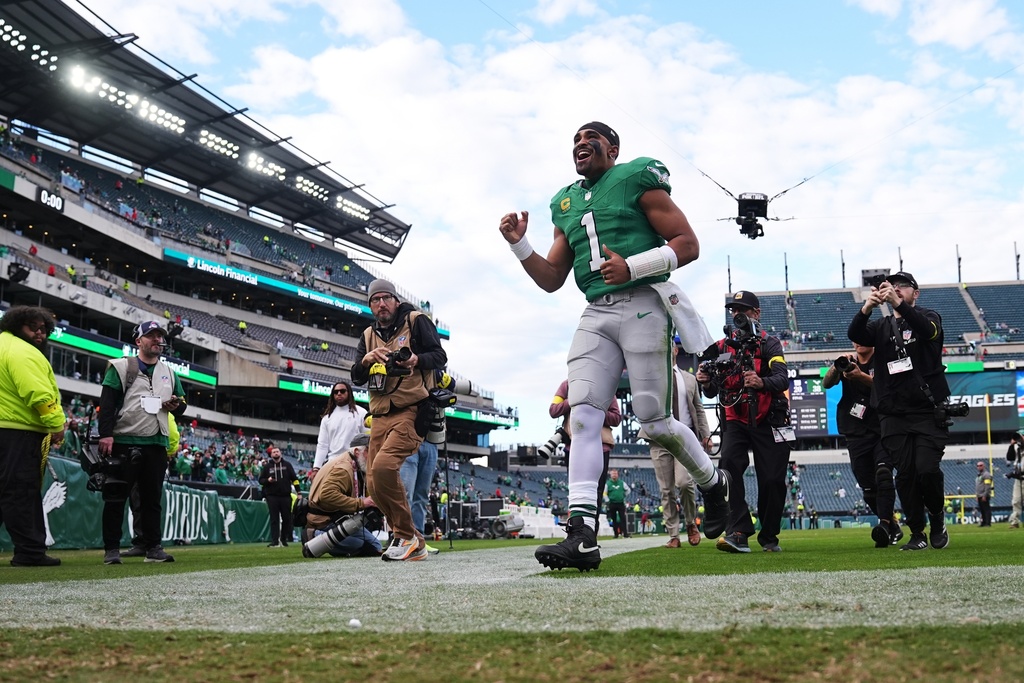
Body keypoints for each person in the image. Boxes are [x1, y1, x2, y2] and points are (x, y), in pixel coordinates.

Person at [499, 121, 730, 572]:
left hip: (645, 300)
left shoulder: (634, 178)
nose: (580, 144)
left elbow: (688, 244)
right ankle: (582, 533)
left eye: (591, 139)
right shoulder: (564, 202)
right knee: (581, 414)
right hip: (596, 310)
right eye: (574, 141)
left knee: (656, 423)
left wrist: (635, 266)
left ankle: (712, 481)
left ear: (614, 148)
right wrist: (519, 245)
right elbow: (550, 279)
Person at [848, 271, 951, 551]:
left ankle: (937, 518)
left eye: (902, 287)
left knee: (927, 470)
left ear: (915, 293)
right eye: (892, 287)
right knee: (904, 475)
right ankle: (917, 532)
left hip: (927, 410)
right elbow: (855, 334)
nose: (895, 290)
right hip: (893, 413)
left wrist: (898, 304)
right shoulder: (881, 326)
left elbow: (928, 331)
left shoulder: (929, 316)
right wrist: (867, 307)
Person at [351, 279, 447, 562]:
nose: (381, 303)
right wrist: (367, 360)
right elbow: (355, 376)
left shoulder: (416, 320)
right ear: (370, 305)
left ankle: (404, 535)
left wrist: (415, 359)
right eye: (375, 299)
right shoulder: (368, 335)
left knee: (383, 468)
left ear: (395, 300)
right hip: (379, 413)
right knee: (374, 484)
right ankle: (414, 541)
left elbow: (440, 356)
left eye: (386, 298)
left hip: (411, 408)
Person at [696, 291, 791, 553]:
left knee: (772, 480)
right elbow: (713, 390)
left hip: (770, 417)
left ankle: (769, 535)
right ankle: (738, 531)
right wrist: (706, 382)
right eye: (733, 310)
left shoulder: (770, 344)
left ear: (756, 314)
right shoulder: (721, 347)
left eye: (744, 310)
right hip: (734, 417)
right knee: (729, 471)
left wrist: (762, 382)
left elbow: (783, 379)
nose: (737, 314)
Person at [97, 320, 185, 564]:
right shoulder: (121, 366)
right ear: (138, 341)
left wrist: (176, 405)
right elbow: (107, 404)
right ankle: (112, 549)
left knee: (151, 499)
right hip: (125, 439)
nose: (157, 340)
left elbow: (183, 406)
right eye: (151, 336)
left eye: (160, 336)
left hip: (156, 442)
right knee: (116, 497)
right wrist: (106, 434)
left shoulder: (169, 372)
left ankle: (153, 547)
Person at [0, 306, 66, 567]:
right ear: (17, 325)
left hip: (7, 428)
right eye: (33, 328)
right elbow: (38, 393)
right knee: (21, 491)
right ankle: (29, 552)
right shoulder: (23, 352)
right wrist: (56, 424)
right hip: (19, 431)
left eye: (44, 329)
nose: (40, 334)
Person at [822, 343, 901, 548]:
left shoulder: (884, 359)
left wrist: (861, 377)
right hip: (856, 430)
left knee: (884, 474)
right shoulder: (849, 361)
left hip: (881, 427)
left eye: (863, 339)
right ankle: (892, 525)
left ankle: (883, 525)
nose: (859, 343)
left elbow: (890, 389)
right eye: (856, 339)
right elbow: (827, 383)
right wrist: (838, 366)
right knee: (867, 487)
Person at [644, 344, 712, 547]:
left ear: (676, 351)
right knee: (666, 490)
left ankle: (691, 523)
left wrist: (706, 435)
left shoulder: (689, 379)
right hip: (659, 439)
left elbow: (698, 409)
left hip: (684, 439)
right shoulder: (651, 377)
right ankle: (674, 534)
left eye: (670, 346)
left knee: (684, 483)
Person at [547, 378, 621, 516]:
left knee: (597, 491)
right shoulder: (567, 385)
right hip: (574, 445)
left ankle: (592, 530)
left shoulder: (606, 385)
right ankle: (577, 529)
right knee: (576, 491)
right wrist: (575, 400)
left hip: (600, 446)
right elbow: (553, 410)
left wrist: (594, 410)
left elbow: (616, 418)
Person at [303, 434, 381, 557]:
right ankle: (313, 535)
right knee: (363, 546)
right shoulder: (343, 469)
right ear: (357, 452)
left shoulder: (354, 465)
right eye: (370, 451)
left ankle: (327, 539)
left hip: (339, 518)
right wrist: (362, 503)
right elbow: (327, 494)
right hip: (324, 521)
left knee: (376, 547)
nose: (374, 455)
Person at [310, 380, 367, 482]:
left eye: (342, 391)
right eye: (336, 392)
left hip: (355, 463)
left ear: (349, 392)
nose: (339, 394)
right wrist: (316, 468)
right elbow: (322, 445)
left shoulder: (361, 413)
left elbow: (367, 439)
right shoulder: (327, 418)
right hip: (333, 463)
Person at [400, 440, 440, 554]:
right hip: (410, 438)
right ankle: (403, 537)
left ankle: (419, 540)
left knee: (421, 496)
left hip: (431, 441)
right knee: (406, 494)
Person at [259, 446, 299, 547]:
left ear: (280, 453)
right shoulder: (267, 466)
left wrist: (299, 492)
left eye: (277, 452)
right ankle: (274, 541)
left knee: (287, 519)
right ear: (271, 455)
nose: (276, 453)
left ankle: (283, 539)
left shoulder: (287, 465)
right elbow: (260, 480)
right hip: (272, 496)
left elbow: (294, 479)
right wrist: (268, 480)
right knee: (274, 519)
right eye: (274, 452)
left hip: (285, 496)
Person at [604, 469, 631, 538]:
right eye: (613, 474)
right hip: (612, 503)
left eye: (615, 474)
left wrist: (623, 495)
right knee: (614, 519)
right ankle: (616, 534)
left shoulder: (622, 482)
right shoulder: (608, 483)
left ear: (617, 475)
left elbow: (628, 490)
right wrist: (607, 500)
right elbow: (604, 493)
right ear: (610, 475)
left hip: (620, 503)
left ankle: (625, 533)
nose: (614, 475)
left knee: (623, 519)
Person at [1007, 433, 1023, 528]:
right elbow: (1010, 457)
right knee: (1016, 500)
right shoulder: (1018, 449)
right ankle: (1015, 521)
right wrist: (1011, 445)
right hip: (1019, 478)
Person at [975, 461, 993, 527]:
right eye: (978, 466)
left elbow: (987, 486)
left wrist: (985, 495)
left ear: (984, 466)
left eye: (980, 465)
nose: (979, 467)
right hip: (979, 495)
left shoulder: (986, 475)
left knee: (986, 509)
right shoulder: (979, 475)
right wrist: (977, 495)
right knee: (982, 510)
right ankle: (984, 522)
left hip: (984, 495)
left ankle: (988, 523)